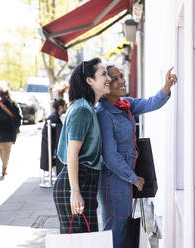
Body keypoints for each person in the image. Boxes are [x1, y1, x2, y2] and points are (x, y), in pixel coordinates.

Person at [96, 65, 177, 248]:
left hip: (124, 179)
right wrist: (134, 179)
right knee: (114, 233)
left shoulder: (125, 104)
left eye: (122, 76)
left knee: (123, 230)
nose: (122, 81)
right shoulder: (104, 113)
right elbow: (109, 156)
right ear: (107, 84)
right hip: (114, 181)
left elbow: (150, 103)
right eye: (116, 78)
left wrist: (166, 87)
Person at [53, 57, 111, 234]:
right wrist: (75, 191)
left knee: (86, 238)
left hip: (84, 180)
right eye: (104, 74)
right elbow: (72, 153)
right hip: (77, 182)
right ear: (89, 80)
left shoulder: (88, 107)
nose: (108, 78)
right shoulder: (82, 109)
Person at [0, 88, 22, 176]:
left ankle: (3, 164)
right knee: (7, 150)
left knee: (1, 148)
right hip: (10, 129)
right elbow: (19, 117)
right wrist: (16, 126)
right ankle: (4, 166)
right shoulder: (13, 104)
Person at [40, 99, 67, 175]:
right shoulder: (54, 118)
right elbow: (46, 134)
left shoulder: (55, 117)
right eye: (65, 105)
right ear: (61, 107)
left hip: (51, 148)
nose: (66, 107)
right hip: (50, 149)